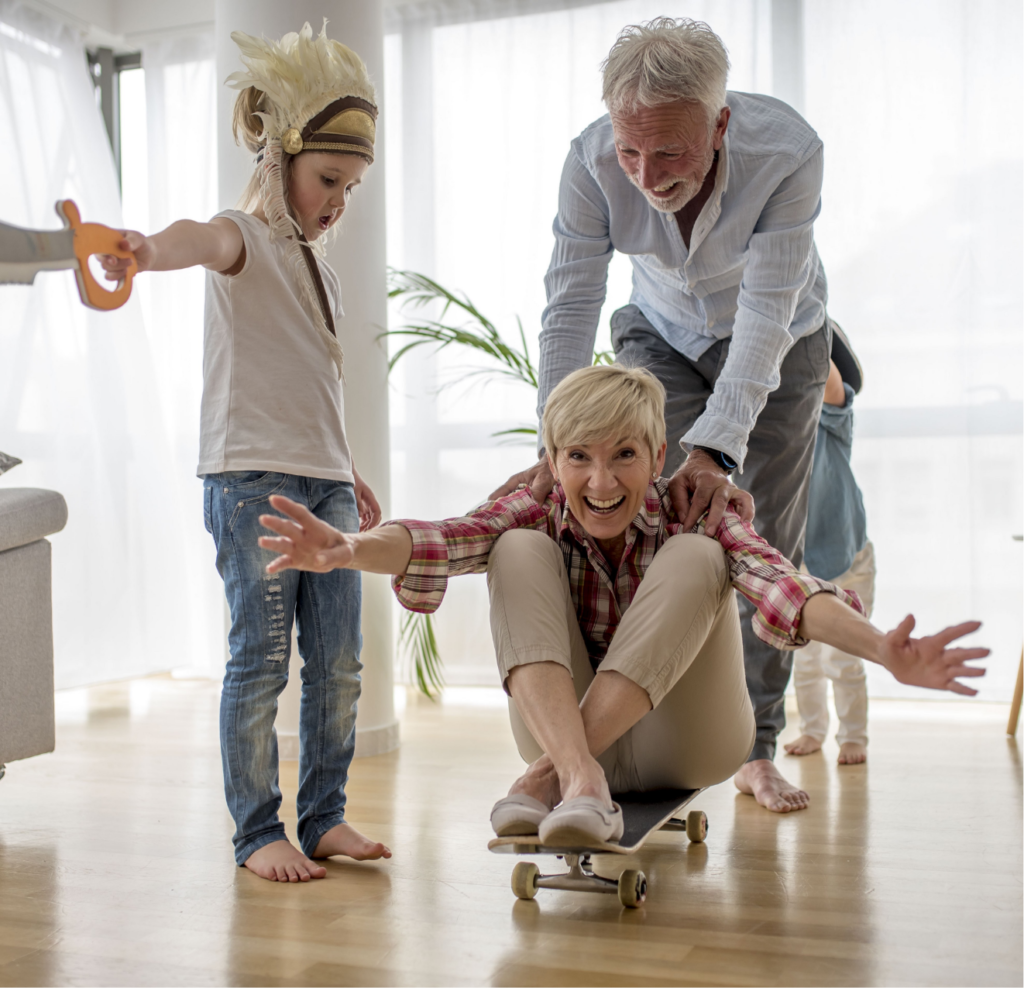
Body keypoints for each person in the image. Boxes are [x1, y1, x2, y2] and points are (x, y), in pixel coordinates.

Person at [259, 365, 987, 843]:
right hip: (565, 725)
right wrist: (349, 549)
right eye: (578, 456)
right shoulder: (536, 505)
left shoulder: (696, 510)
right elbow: (446, 538)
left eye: (624, 456)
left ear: (659, 452)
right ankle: (581, 775)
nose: (600, 481)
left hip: (689, 740)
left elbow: (781, 585)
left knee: (700, 554)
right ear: (551, 460)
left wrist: (881, 648)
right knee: (511, 545)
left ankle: (549, 777)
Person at [493, 17, 835, 812]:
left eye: (671, 152)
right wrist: (558, 443)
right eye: (631, 151)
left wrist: (716, 451)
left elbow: (763, 319)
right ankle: (614, 739)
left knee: (758, 537)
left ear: (720, 124)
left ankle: (754, 747)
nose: (647, 175)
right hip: (659, 331)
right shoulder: (588, 160)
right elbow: (571, 302)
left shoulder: (788, 153)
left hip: (781, 340)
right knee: (651, 521)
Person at [100, 23, 390, 882]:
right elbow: (196, 236)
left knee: (338, 659)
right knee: (260, 659)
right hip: (252, 482)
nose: (340, 198)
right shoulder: (244, 237)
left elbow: (307, 386)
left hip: (324, 480)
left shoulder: (322, 271)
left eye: (353, 186)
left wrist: (348, 469)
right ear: (281, 157)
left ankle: (325, 815)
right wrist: (147, 251)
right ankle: (256, 832)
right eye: (330, 178)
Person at [785, 333, 874, 765]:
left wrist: (805, 324)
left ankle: (854, 735)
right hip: (802, 565)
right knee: (803, 659)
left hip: (847, 560)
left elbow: (829, 382)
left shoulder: (831, 420)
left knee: (844, 656)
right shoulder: (778, 429)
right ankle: (813, 729)